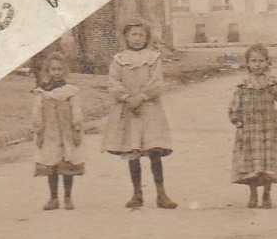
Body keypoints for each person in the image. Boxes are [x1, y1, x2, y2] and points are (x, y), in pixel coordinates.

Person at [101, 20, 177, 209]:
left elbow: (157, 83)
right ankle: (137, 194)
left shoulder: (153, 58)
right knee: (133, 152)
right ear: (126, 37)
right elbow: (114, 83)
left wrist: (142, 97)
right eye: (133, 35)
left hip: (149, 109)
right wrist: (127, 98)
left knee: (154, 151)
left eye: (141, 35)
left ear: (147, 38)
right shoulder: (119, 59)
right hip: (129, 111)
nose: (137, 38)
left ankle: (161, 194)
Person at [229, 44, 277, 208]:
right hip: (249, 130)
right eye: (253, 61)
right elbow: (234, 106)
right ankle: (253, 195)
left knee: (267, 162)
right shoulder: (243, 84)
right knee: (251, 162)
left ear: (267, 62)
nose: (257, 64)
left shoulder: (272, 83)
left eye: (261, 61)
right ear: (247, 63)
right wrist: (236, 119)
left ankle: (266, 194)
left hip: (268, 129)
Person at [31, 45, 86, 211]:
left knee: (67, 164)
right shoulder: (42, 92)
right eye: (53, 69)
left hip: (67, 133)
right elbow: (37, 112)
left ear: (65, 71)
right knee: (51, 165)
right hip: (50, 134)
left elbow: (76, 110)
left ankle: (68, 197)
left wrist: (77, 128)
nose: (56, 72)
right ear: (48, 71)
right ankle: (53, 198)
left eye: (59, 69)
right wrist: (38, 131)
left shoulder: (70, 91)